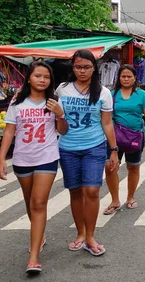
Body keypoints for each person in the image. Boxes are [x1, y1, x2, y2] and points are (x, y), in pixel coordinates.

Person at [0, 61, 68, 274]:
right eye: (38, 76)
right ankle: (40, 236)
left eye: (46, 77)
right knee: (29, 202)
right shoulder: (17, 102)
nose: (42, 80)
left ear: (50, 81)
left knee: (38, 202)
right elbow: (9, 131)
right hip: (22, 159)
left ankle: (33, 257)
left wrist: (60, 113)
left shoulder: (53, 102)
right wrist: (2, 159)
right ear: (29, 78)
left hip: (47, 157)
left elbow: (62, 131)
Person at [56, 49, 119, 257]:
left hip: (94, 146)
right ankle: (80, 233)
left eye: (87, 67)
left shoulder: (103, 92)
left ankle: (90, 236)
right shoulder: (63, 89)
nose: (82, 71)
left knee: (91, 191)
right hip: (68, 148)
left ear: (94, 68)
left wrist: (114, 150)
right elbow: (56, 120)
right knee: (75, 191)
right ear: (72, 68)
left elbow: (107, 123)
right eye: (78, 67)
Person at [103, 65, 145, 215]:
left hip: (135, 136)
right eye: (123, 76)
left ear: (134, 78)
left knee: (133, 167)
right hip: (114, 138)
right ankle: (115, 200)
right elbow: (106, 117)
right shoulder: (111, 94)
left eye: (129, 76)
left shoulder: (142, 95)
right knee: (110, 167)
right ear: (118, 78)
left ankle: (130, 197)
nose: (126, 79)